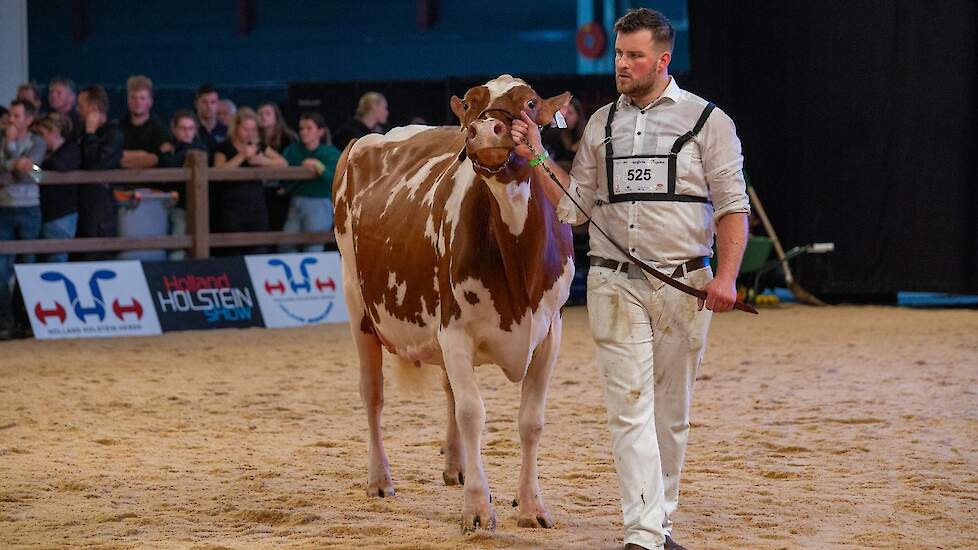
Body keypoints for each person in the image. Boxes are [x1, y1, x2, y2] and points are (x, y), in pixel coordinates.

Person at [511, 8, 749, 550]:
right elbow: (576, 210)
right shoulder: (601, 124)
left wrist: (728, 277)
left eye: (635, 55)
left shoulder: (708, 121)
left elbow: (733, 206)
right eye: (619, 54)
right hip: (614, 282)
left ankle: (659, 523)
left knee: (672, 413)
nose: (622, 64)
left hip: (686, 282)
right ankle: (642, 535)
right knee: (630, 406)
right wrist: (538, 156)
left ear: (663, 60)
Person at [212, 107, 286, 256]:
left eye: (253, 129)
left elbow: (283, 163)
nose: (250, 133)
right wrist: (242, 156)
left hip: (256, 205)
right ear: (236, 127)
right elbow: (218, 172)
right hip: (232, 207)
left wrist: (262, 160)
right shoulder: (224, 147)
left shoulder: (258, 146)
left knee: (259, 248)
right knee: (234, 251)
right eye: (246, 129)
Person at [0, 99, 45, 339]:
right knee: (0, 269)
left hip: (30, 209)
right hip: (4, 209)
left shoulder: (38, 141)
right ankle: (5, 322)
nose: (12, 120)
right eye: (10, 115)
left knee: (27, 268)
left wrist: (13, 156)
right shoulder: (2, 138)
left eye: (17, 116)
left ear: (29, 119)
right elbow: (13, 168)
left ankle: (24, 320)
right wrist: (16, 161)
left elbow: (36, 174)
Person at [76, 84, 123, 260]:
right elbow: (46, 172)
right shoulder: (77, 135)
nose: (77, 110)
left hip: (90, 214)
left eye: (81, 106)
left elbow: (94, 166)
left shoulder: (111, 134)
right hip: (71, 211)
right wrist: (32, 168)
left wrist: (90, 133)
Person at [281, 112, 340, 252]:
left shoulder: (331, 153)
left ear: (320, 131)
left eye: (309, 128)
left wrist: (318, 167)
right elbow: (282, 177)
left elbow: (337, 179)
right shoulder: (293, 150)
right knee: (285, 244)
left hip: (319, 203)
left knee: (313, 246)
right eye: (301, 128)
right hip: (296, 201)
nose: (304, 132)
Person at [31, 113, 81, 263]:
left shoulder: (71, 149)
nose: (39, 139)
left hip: (61, 215)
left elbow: (53, 169)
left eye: (42, 134)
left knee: (56, 260)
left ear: (53, 132)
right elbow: (38, 176)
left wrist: (31, 166)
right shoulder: (46, 155)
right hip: (45, 214)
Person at [159, 110, 206, 260]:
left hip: (186, 207)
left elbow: (169, 164)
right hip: (168, 204)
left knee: (177, 248)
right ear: (174, 129)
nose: (187, 132)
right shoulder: (173, 146)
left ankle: (174, 277)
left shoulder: (198, 149)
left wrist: (165, 154)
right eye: (183, 128)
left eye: (191, 128)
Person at [120, 75, 167, 171]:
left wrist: (126, 156)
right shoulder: (116, 128)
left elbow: (158, 160)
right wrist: (142, 154)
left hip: (152, 185)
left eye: (142, 98)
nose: (137, 102)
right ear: (128, 100)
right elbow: (113, 159)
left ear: (150, 102)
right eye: (133, 98)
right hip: (120, 185)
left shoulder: (161, 130)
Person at [541, 96, 586, 164]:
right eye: (563, 113)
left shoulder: (585, 135)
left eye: (570, 113)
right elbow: (539, 160)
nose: (565, 116)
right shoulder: (553, 134)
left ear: (578, 116)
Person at [47, 77, 82, 142]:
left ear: (72, 97)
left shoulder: (80, 120)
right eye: (51, 92)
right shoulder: (47, 118)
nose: (53, 95)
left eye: (58, 93)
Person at [194, 84, 226, 151]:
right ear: (196, 104)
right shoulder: (189, 129)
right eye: (204, 102)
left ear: (218, 104)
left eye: (213, 102)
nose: (209, 107)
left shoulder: (226, 131)